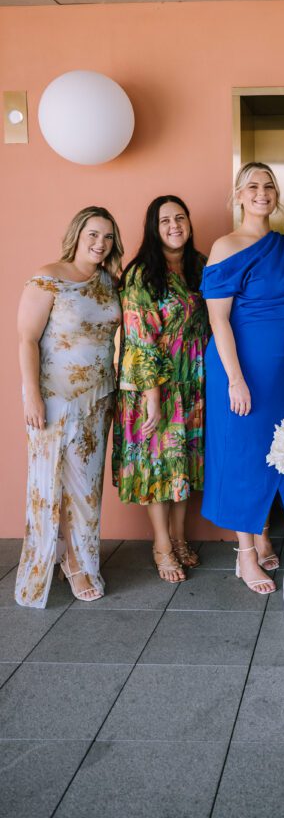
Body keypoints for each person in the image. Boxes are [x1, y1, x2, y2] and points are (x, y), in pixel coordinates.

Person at [201, 163, 284, 594]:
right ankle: (245, 555)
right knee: (244, 454)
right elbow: (219, 320)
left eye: (268, 186)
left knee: (277, 451)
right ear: (239, 195)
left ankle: (263, 534)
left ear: (276, 195)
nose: (261, 193)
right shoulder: (226, 246)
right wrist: (234, 379)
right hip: (240, 366)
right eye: (252, 187)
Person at [15, 206, 123, 606]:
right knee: (51, 482)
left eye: (108, 237)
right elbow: (26, 338)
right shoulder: (49, 277)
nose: (100, 243)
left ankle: (79, 557)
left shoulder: (109, 282)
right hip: (54, 399)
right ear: (77, 234)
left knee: (86, 487)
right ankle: (66, 562)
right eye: (94, 234)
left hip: (99, 399)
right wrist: (32, 396)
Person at [112, 196, 209, 583]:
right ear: (154, 227)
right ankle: (161, 544)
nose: (174, 226)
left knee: (183, 463)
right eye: (165, 220)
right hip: (153, 386)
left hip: (193, 384)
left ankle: (181, 537)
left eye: (180, 218)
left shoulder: (200, 266)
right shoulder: (141, 274)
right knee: (158, 467)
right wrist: (153, 396)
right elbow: (139, 339)